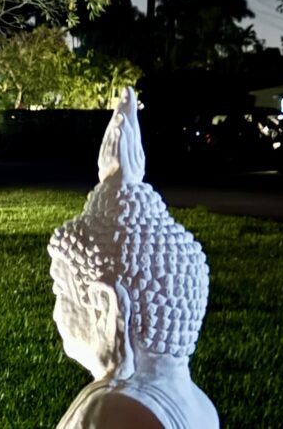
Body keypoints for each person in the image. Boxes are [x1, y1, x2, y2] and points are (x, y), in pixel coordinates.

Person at [48, 88, 218, 429]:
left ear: (108, 311)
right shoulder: (198, 403)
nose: (55, 312)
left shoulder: (114, 410)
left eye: (60, 292)